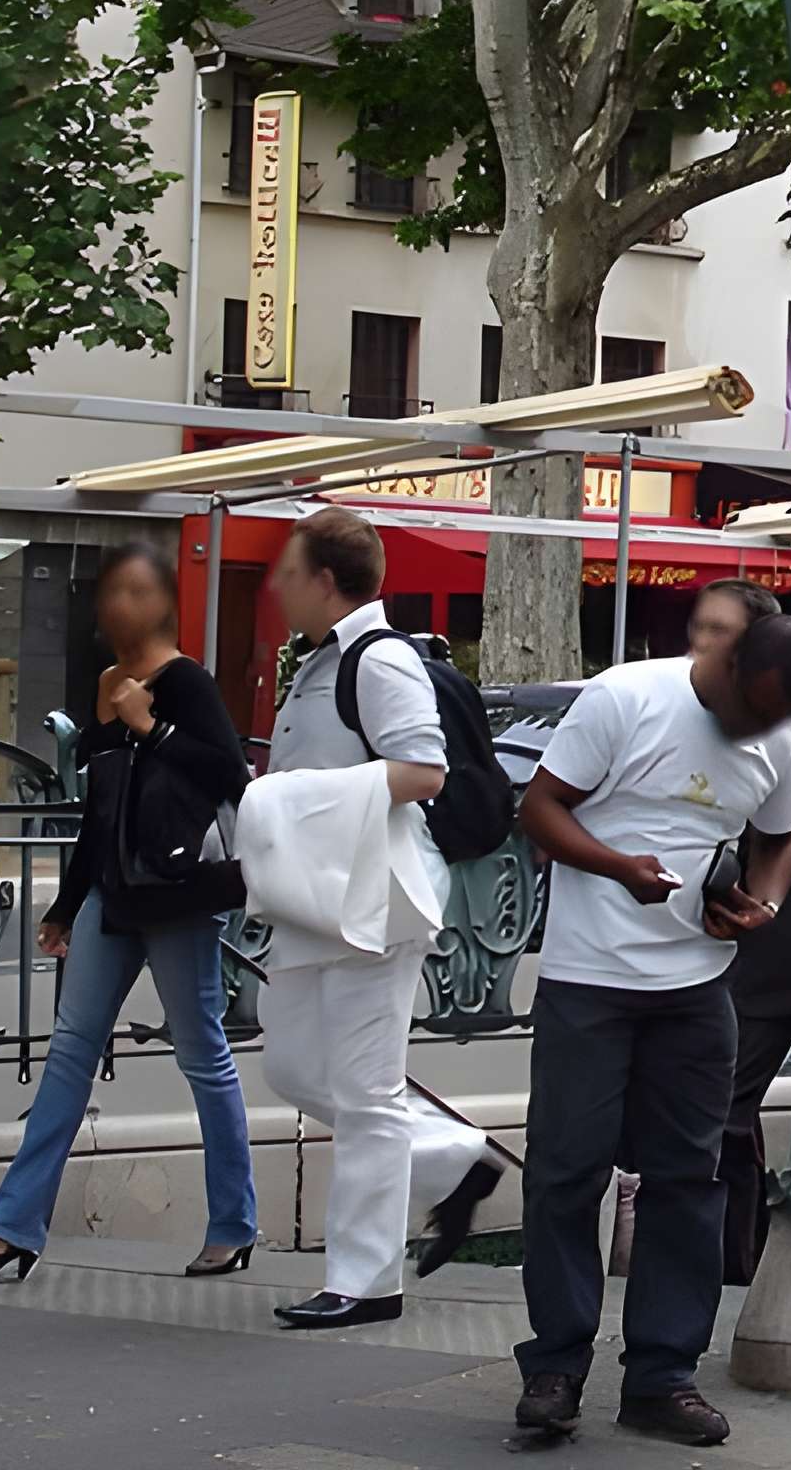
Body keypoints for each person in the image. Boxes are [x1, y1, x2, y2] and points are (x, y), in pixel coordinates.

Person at [513, 610, 791, 1446]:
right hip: (590, 979)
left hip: (696, 988)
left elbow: (780, 837)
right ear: (722, 659)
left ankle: (661, 1376)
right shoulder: (625, 699)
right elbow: (538, 811)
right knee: (565, 1174)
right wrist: (618, 869)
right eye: (746, 710)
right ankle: (555, 1366)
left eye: (770, 721)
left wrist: (763, 901)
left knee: (690, 1178)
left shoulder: (777, 740)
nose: (752, 730)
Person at [0, 544, 255, 1282]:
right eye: (112, 592)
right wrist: (66, 901)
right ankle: (12, 1226)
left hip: (178, 898)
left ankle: (233, 1223)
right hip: (112, 898)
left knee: (203, 1057)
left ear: (164, 604)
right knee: (69, 1050)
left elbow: (231, 776)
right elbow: (103, 810)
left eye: (137, 591)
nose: (121, 605)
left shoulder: (186, 683)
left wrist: (153, 728)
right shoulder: (107, 685)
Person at [254, 506, 487, 1330]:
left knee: (363, 1090)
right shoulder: (323, 660)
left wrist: (289, 799)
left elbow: (425, 769)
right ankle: (452, 1158)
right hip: (319, 897)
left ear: (324, 581)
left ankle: (363, 1278)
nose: (278, 586)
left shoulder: (379, 660)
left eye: (288, 572)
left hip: (373, 902)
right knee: (293, 1067)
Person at [711, 588, 791, 1286]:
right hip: (749, 945)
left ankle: (733, 1261)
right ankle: (731, 1257)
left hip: (770, 945)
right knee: (728, 1106)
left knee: (728, 1105)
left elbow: (776, 829)